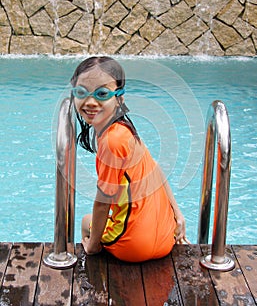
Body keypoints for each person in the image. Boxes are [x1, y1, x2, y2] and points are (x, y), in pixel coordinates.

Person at [70, 56, 188, 262]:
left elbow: (102, 202)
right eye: (82, 92)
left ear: (119, 98)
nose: (90, 102)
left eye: (102, 94)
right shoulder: (126, 131)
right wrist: (178, 213)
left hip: (134, 246)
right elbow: (156, 170)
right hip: (166, 237)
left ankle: (92, 266)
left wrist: (93, 245)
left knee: (85, 222)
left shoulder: (111, 141)